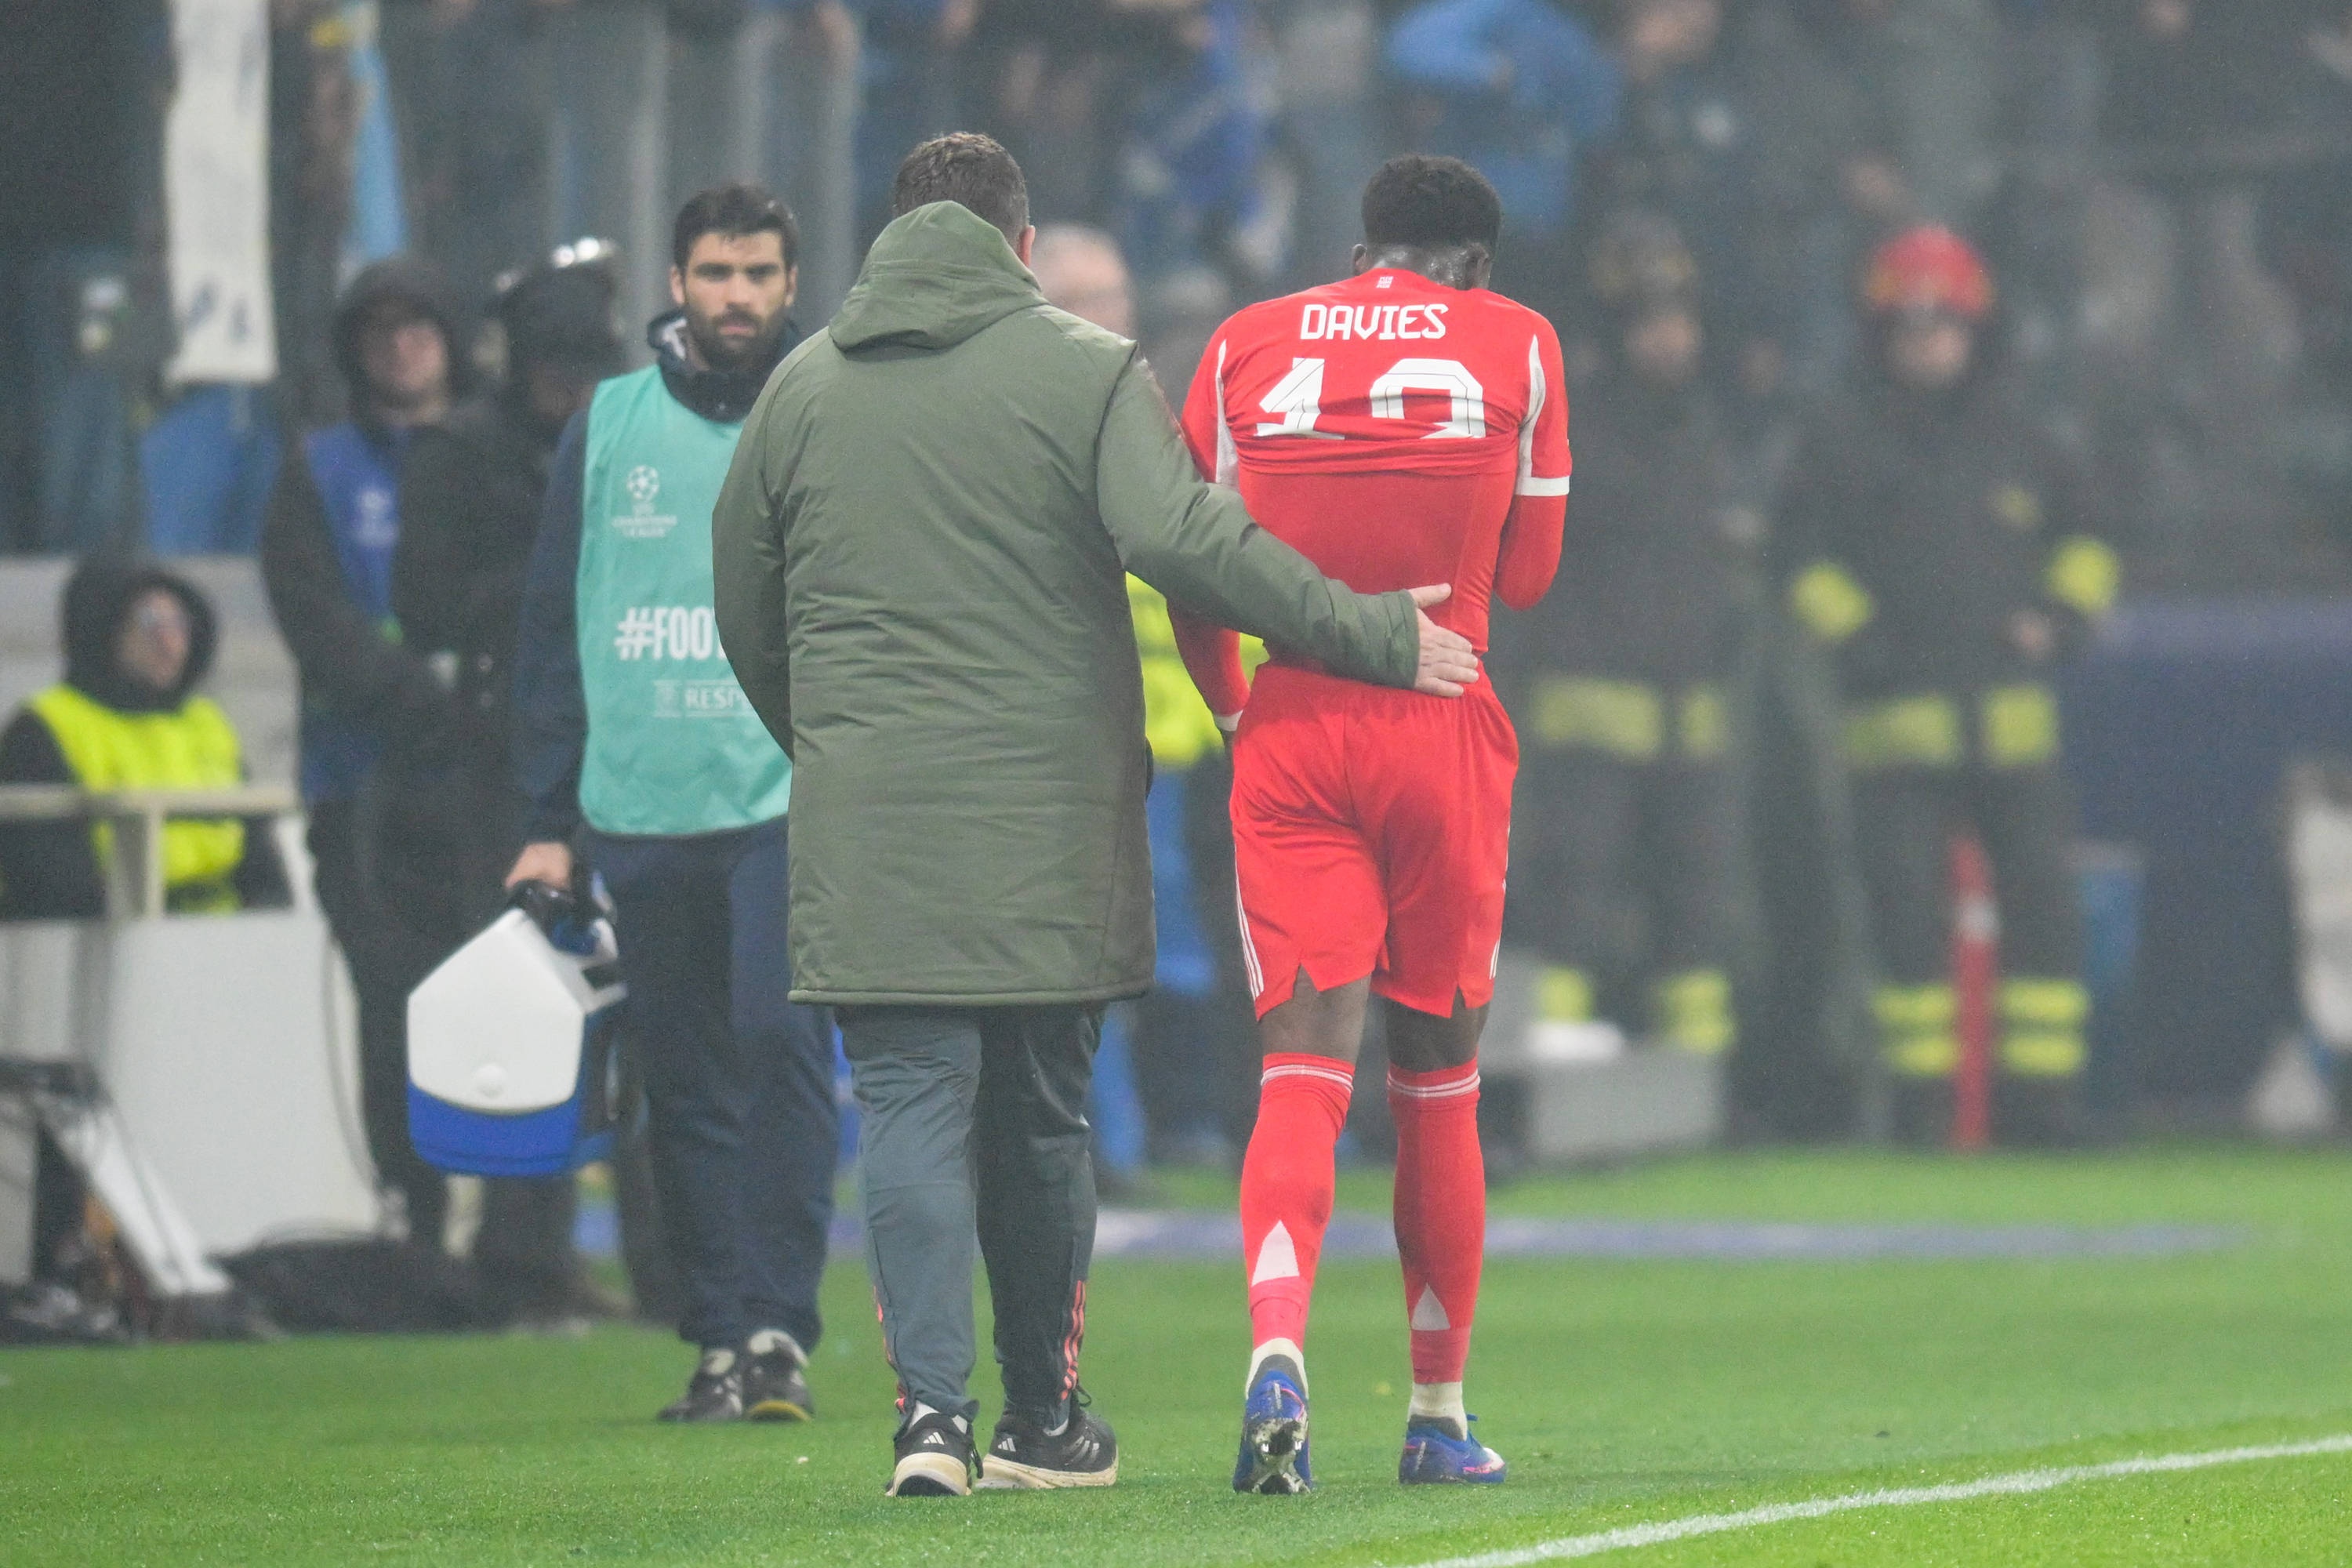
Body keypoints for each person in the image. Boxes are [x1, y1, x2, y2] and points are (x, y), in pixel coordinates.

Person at [711, 132, 1476, 1498]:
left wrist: (834, 747)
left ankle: (928, 1426)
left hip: (871, 817)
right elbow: (1189, 541)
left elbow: (744, 604)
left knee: (907, 1109)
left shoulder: (801, 387)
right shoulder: (1086, 371)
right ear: (1021, 249)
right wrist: (1366, 631)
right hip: (1052, 813)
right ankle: (1042, 1420)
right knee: (1042, 1115)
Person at [1171, 154, 1569, 1493]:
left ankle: (1278, 1349)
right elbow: (1530, 572)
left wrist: (1239, 706)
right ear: (1477, 265)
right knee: (1438, 1079)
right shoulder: (1519, 340)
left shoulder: (1244, 341)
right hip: (1440, 722)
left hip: (1293, 723)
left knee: (1300, 1070)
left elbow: (1190, 564)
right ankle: (1437, 1415)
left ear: (1364, 250)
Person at [506, 183, 837, 1423]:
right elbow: (555, 623)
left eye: (757, 274)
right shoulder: (608, 425)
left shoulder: (829, 411)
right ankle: (720, 1336)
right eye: (715, 273)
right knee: (683, 1081)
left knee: (779, 1040)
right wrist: (546, 818)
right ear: (676, 283)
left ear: (792, 285)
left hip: (783, 793)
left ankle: (781, 1325)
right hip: (640, 800)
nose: (736, 296)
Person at [1779, 225, 2116, 1145]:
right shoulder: (1840, 442)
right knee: (1906, 928)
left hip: (2014, 733)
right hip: (1893, 735)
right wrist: (1861, 638)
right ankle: (1919, 1108)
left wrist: (2061, 618)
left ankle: (2043, 1105)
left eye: (1944, 325)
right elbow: (1798, 559)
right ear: (1878, 335)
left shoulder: (2027, 440)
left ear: (1978, 332)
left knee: (2045, 915)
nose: (1927, 343)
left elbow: (2090, 540)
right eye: (1909, 326)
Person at [388, 250, 633, 1330]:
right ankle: (520, 1256)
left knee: (629, 1014)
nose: (570, 394)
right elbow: (426, 603)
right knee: (527, 1003)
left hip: (616, 744)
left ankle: (644, 1262)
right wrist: (554, 582)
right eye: (555, 373)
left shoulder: (624, 442)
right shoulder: (461, 456)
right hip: (502, 762)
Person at [1498, 212, 1750, 1064]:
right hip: (1587, 717)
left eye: (1682, 319)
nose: (1672, 339)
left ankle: (1702, 1076)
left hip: (1692, 718)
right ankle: (1553, 1071)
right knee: (1572, 899)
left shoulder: (1707, 429)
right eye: (1650, 321)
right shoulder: (1573, 432)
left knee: (1697, 912)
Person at [0, 560, 291, 1296]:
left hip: (217, 969)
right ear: (102, 631)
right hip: (102, 978)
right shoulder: (46, 728)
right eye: (150, 624)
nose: (170, 643)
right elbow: (49, 875)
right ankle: (79, 1271)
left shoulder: (207, 724)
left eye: (181, 624)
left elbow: (260, 860)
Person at [261, 259, 467, 1250]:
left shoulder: (494, 457)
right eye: (380, 329)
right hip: (362, 786)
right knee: (392, 1004)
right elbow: (312, 616)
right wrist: (422, 694)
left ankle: (519, 1241)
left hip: (482, 785)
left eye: (419, 325)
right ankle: (414, 1217)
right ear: (353, 349)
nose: (401, 345)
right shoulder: (319, 471)